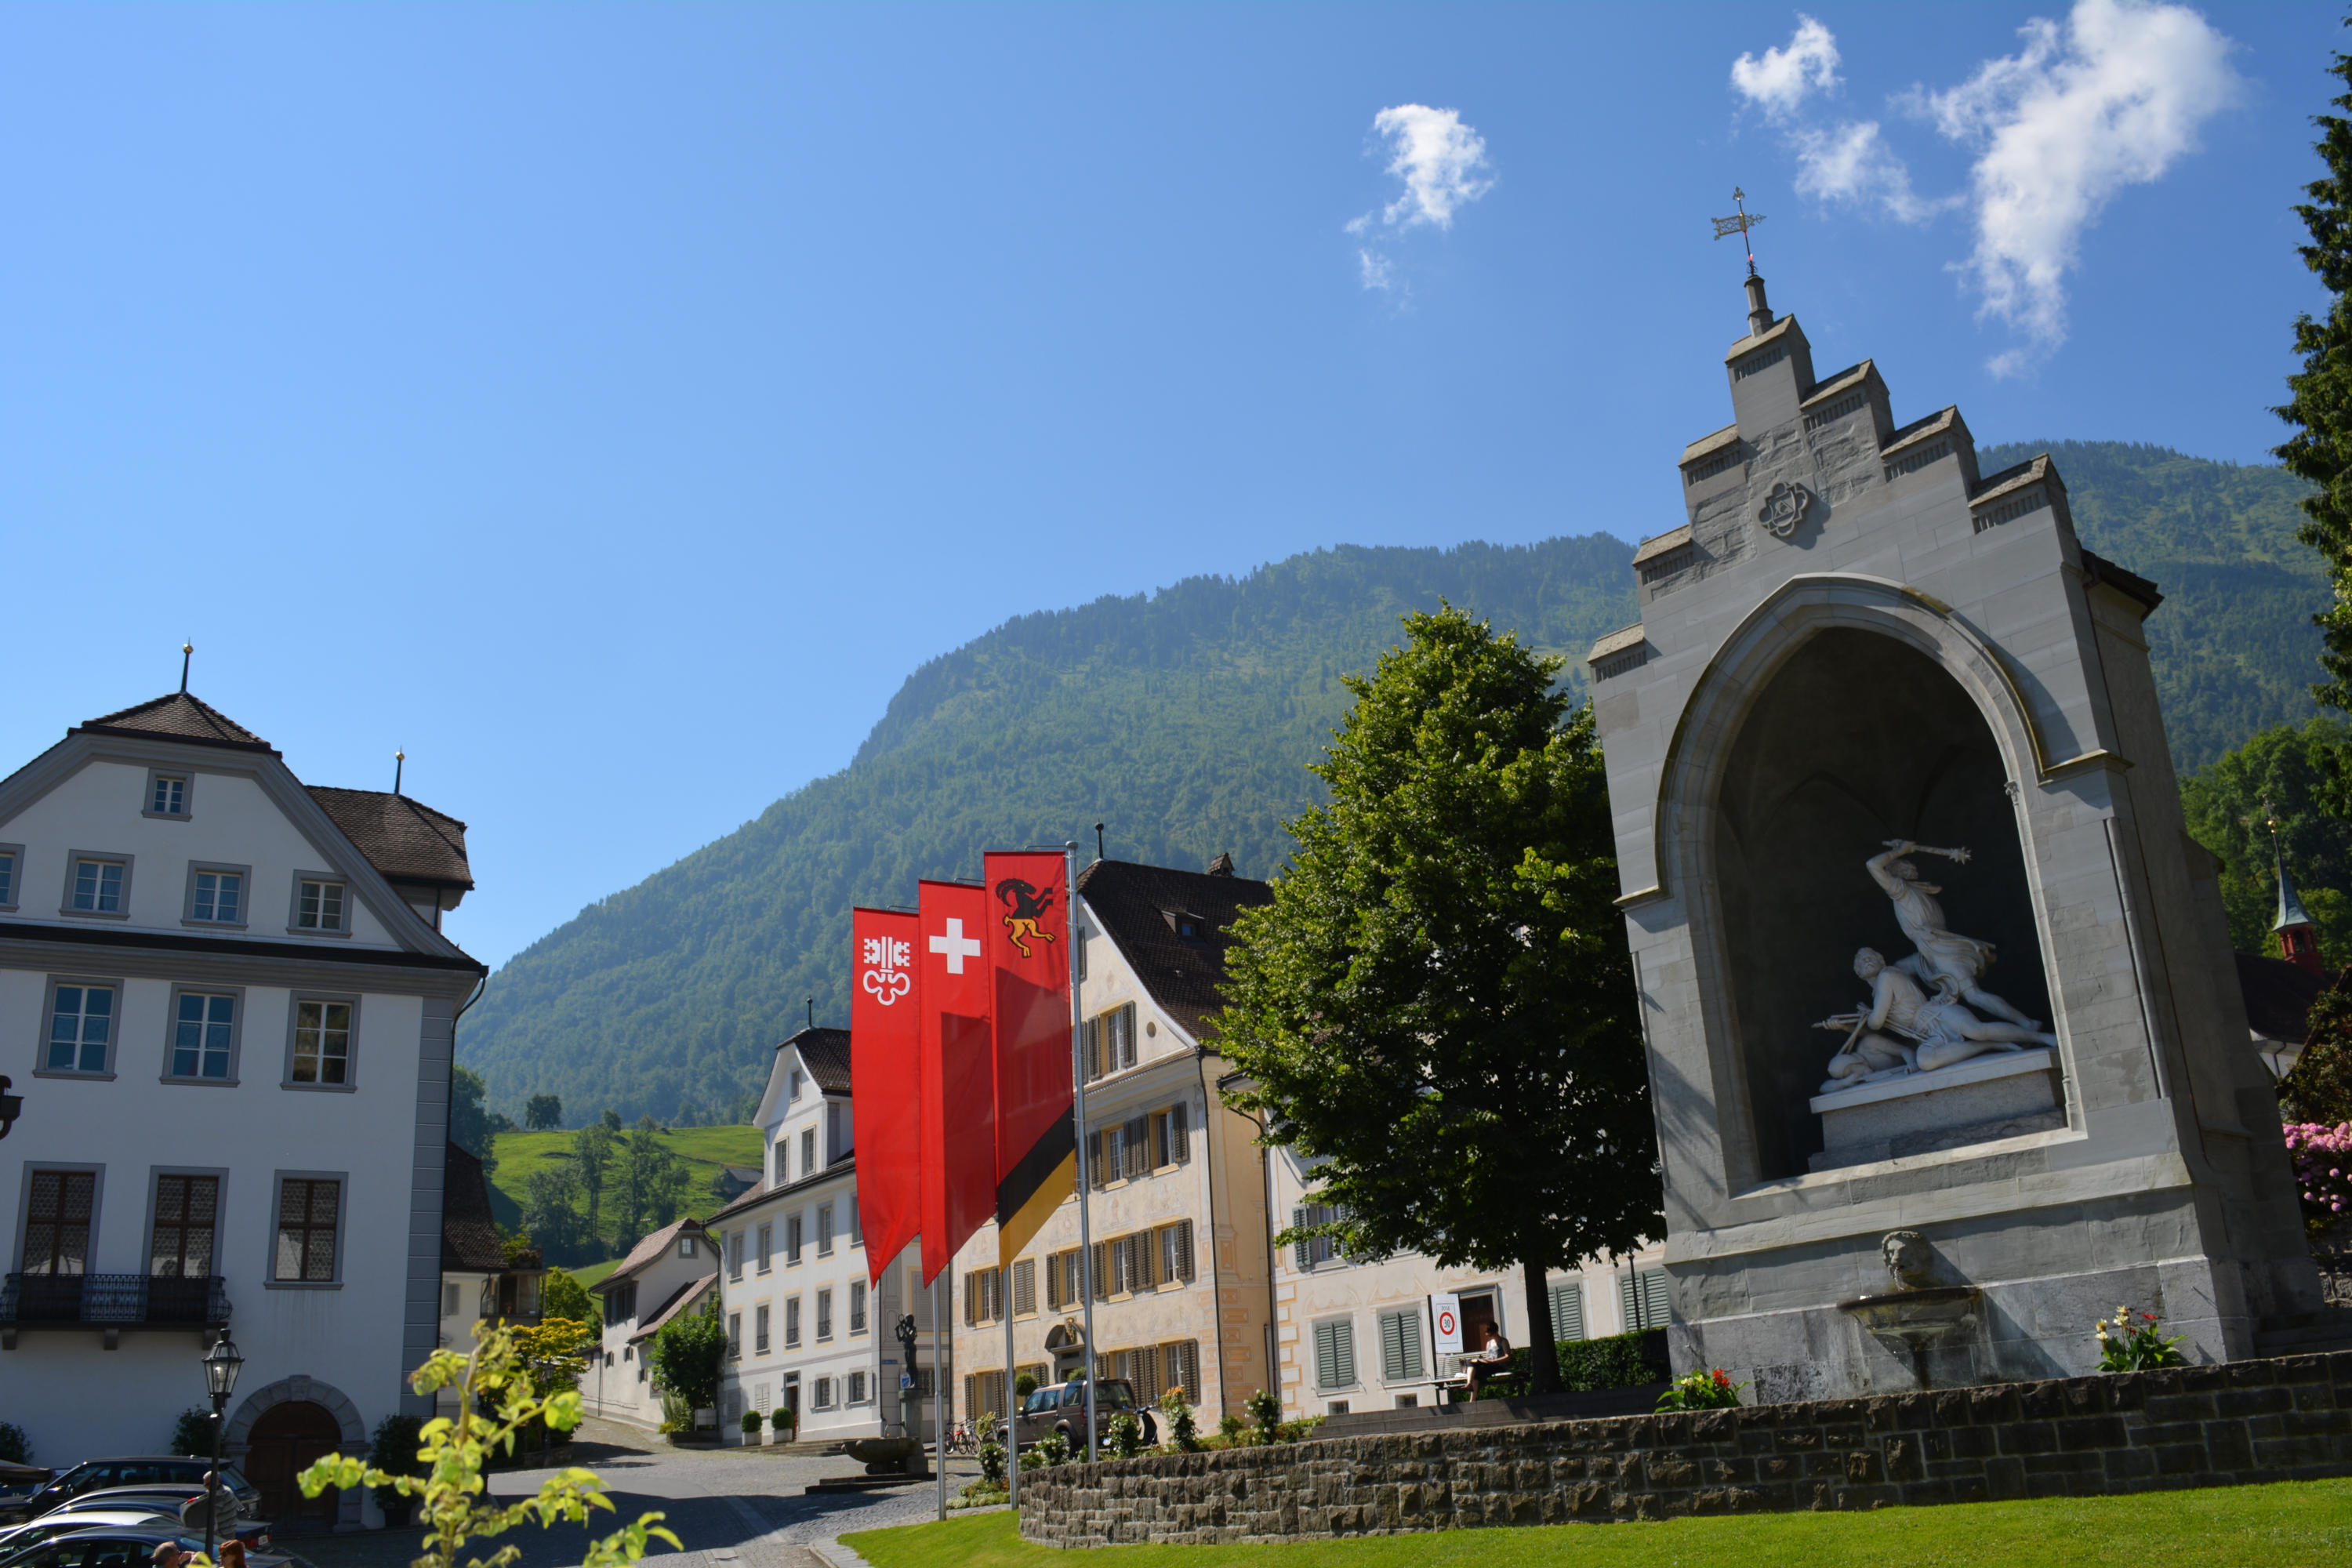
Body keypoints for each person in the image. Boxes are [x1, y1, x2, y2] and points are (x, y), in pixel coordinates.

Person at [1463, 1326, 1513, 1396]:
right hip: (1489, 1365)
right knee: (1472, 1364)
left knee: (1476, 1372)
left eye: (1491, 1334)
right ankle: (1469, 1384)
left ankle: (1472, 1397)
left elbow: (1508, 1357)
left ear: (1496, 1332)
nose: (1490, 1337)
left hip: (1499, 1365)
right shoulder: (1489, 1343)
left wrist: (1493, 1361)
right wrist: (1484, 1360)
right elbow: (1488, 1356)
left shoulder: (1503, 1341)